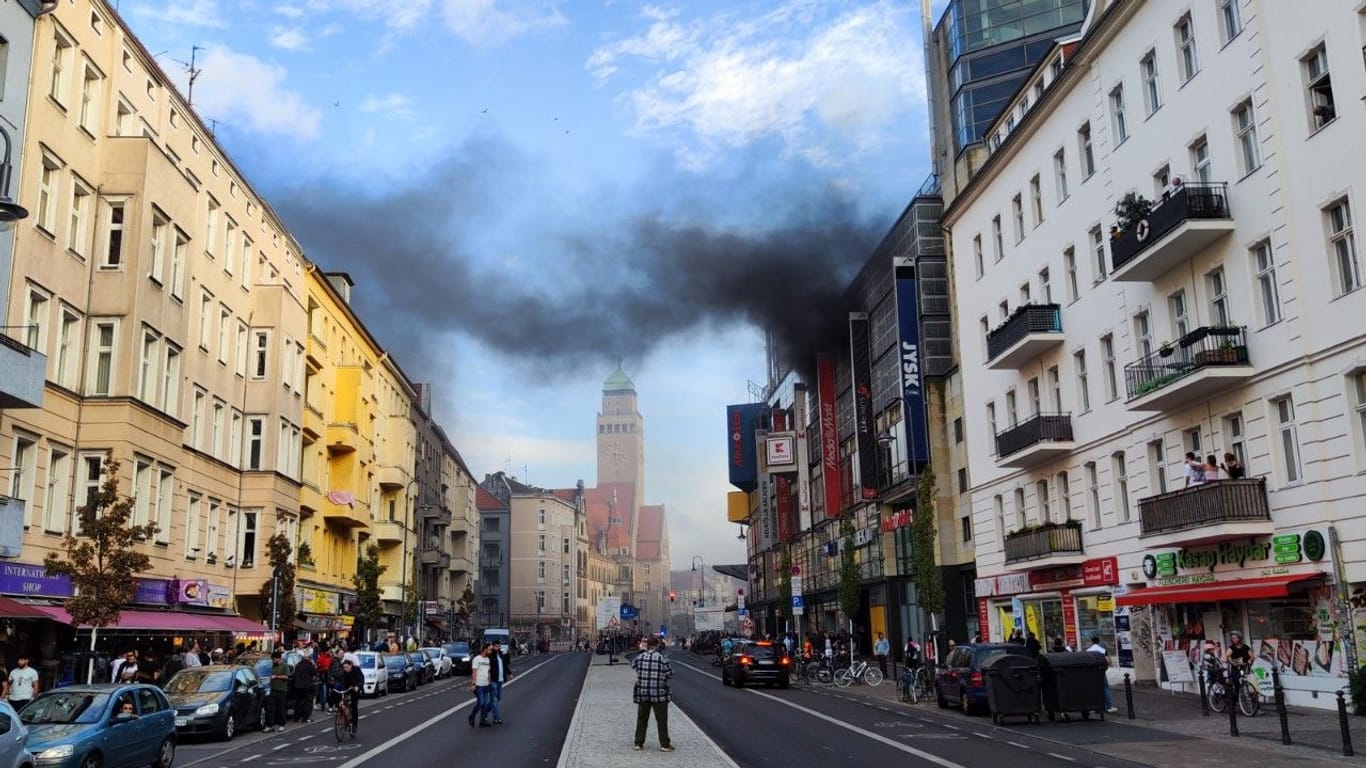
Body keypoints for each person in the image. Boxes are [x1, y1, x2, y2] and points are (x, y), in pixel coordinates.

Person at [631, 635, 673, 753]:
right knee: (661, 720)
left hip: (643, 693)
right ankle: (665, 744)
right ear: (657, 645)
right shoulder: (662, 658)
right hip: (659, 694)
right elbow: (670, 674)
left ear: (647, 645)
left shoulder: (640, 657)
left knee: (642, 719)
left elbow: (633, 665)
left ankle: (638, 743)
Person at [1085, 636, 1118, 713]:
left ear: (1092, 642)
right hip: (1101, 671)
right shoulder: (1102, 650)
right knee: (1105, 687)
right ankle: (1109, 706)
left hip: (1092, 672)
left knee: (1093, 688)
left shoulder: (1088, 650)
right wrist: (1106, 667)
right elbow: (1107, 661)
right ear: (1098, 642)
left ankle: (1093, 707)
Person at [334, 658, 363, 735]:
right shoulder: (344, 673)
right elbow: (342, 682)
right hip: (347, 689)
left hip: (354, 689)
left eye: (347, 667)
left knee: (354, 706)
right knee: (339, 696)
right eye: (344, 667)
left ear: (351, 666)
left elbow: (361, 680)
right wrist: (342, 693)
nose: (345, 669)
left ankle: (354, 725)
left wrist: (357, 686)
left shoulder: (356, 670)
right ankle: (343, 713)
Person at [488, 638, 512, 725]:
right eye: (496, 646)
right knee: (494, 700)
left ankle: (485, 711)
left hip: (500, 679)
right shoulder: (491, 656)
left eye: (499, 646)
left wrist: (509, 673)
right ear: (493, 646)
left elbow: (505, 665)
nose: (498, 648)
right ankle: (497, 718)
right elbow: (488, 667)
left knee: (498, 698)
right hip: (493, 679)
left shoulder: (501, 655)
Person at [469, 644, 493, 728]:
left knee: (485, 704)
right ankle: (472, 716)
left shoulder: (488, 660)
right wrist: (473, 683)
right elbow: (474, 672)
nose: (490, 651)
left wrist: (489, 682)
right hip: (478, 685)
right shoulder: (476, 659)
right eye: (489, 650)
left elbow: (488, 672)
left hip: (486, 684)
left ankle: (482, 721)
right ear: (485, 649)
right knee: (481, 703)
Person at [267, 650, 290, 732]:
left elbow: (286, 677)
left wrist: (276, 676)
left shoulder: (284, 666)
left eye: (273, 659)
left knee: (281, 708)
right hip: (273, 689)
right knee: (271, 708)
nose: (273, 661)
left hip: (282, 690)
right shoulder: (273, 666)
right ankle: (270, 725)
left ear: (278, 659)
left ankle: (282, 724)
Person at [291, 649, 316, 723]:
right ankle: (305, 718)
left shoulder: (298, 664)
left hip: (298, 686)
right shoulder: (310, 664)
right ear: (309, 657)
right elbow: (314, 673)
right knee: (307, 702)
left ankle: (296, 717)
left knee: (298, 702)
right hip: (307, 685)